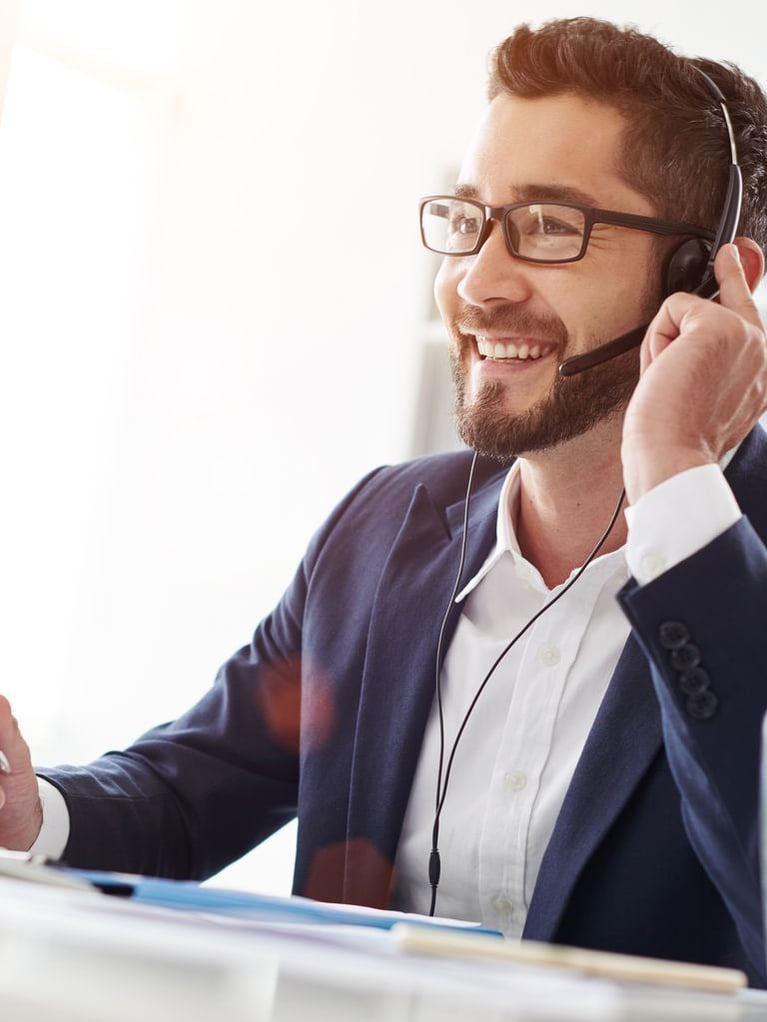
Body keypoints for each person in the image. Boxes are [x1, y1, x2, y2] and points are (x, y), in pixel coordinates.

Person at [2, 15, 767, 985]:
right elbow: (192, 786)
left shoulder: (738, 561)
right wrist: (32, 814)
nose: (473, 283)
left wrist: (671, 467)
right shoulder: (379, 530)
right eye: (467, 217)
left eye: (546, 227)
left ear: (705, 276)